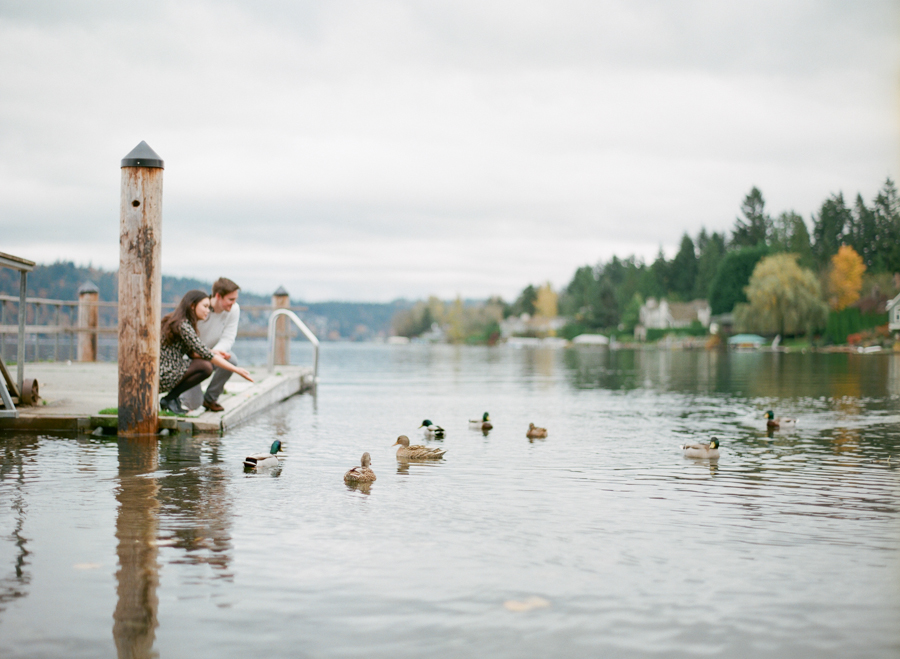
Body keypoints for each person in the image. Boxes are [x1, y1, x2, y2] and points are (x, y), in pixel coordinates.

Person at [159, 289, 253, 415]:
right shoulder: (183, 325)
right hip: (164, 374)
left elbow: (193, 353)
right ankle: (169, 399)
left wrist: (213, 351)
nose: (208, 311)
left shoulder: (180, 321)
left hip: (166, 371)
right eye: (205, 306)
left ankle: (172, 399)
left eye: (209, 307)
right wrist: (237, 370)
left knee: (204, 364)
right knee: (205, 367)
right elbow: (205, 354)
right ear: (192, 306)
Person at [181, 277, 241, 412]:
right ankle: (181, 395)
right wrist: (205, 353)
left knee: (232, 360)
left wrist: (215, 353)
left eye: (235, 299)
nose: (234, 303)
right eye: (231, 299)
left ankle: (210, 399)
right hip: (190, 357)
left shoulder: (234, 309)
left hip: (211, 354)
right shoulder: (199, 308)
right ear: (218, 296)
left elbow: (228, 337)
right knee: (193, 404)